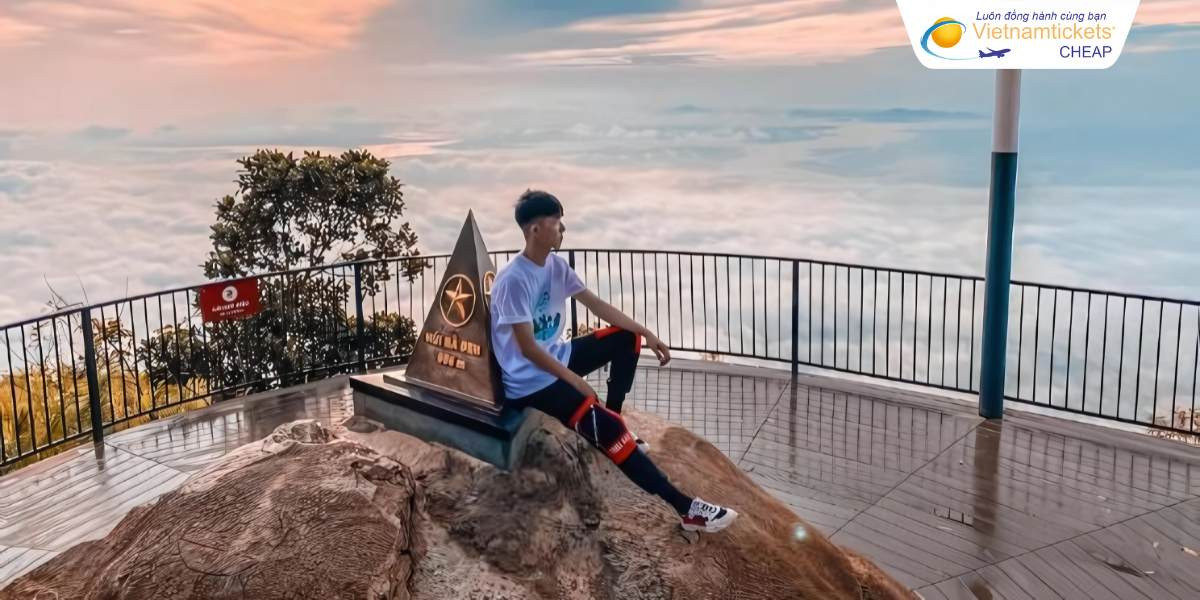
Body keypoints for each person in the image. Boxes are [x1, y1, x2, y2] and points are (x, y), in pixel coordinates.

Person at [489, 189, 738, 533]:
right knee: (606, 429)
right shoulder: (513, 280)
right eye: (557, 223)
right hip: (529, 381)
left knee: (626, 338)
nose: (563, 229)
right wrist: (575, 381)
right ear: (535, 229)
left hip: (555, 358)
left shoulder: (556, 266)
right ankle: (687, 510)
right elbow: (528, 349)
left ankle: (616, 416)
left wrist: (645, 333)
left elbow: (598, 306)